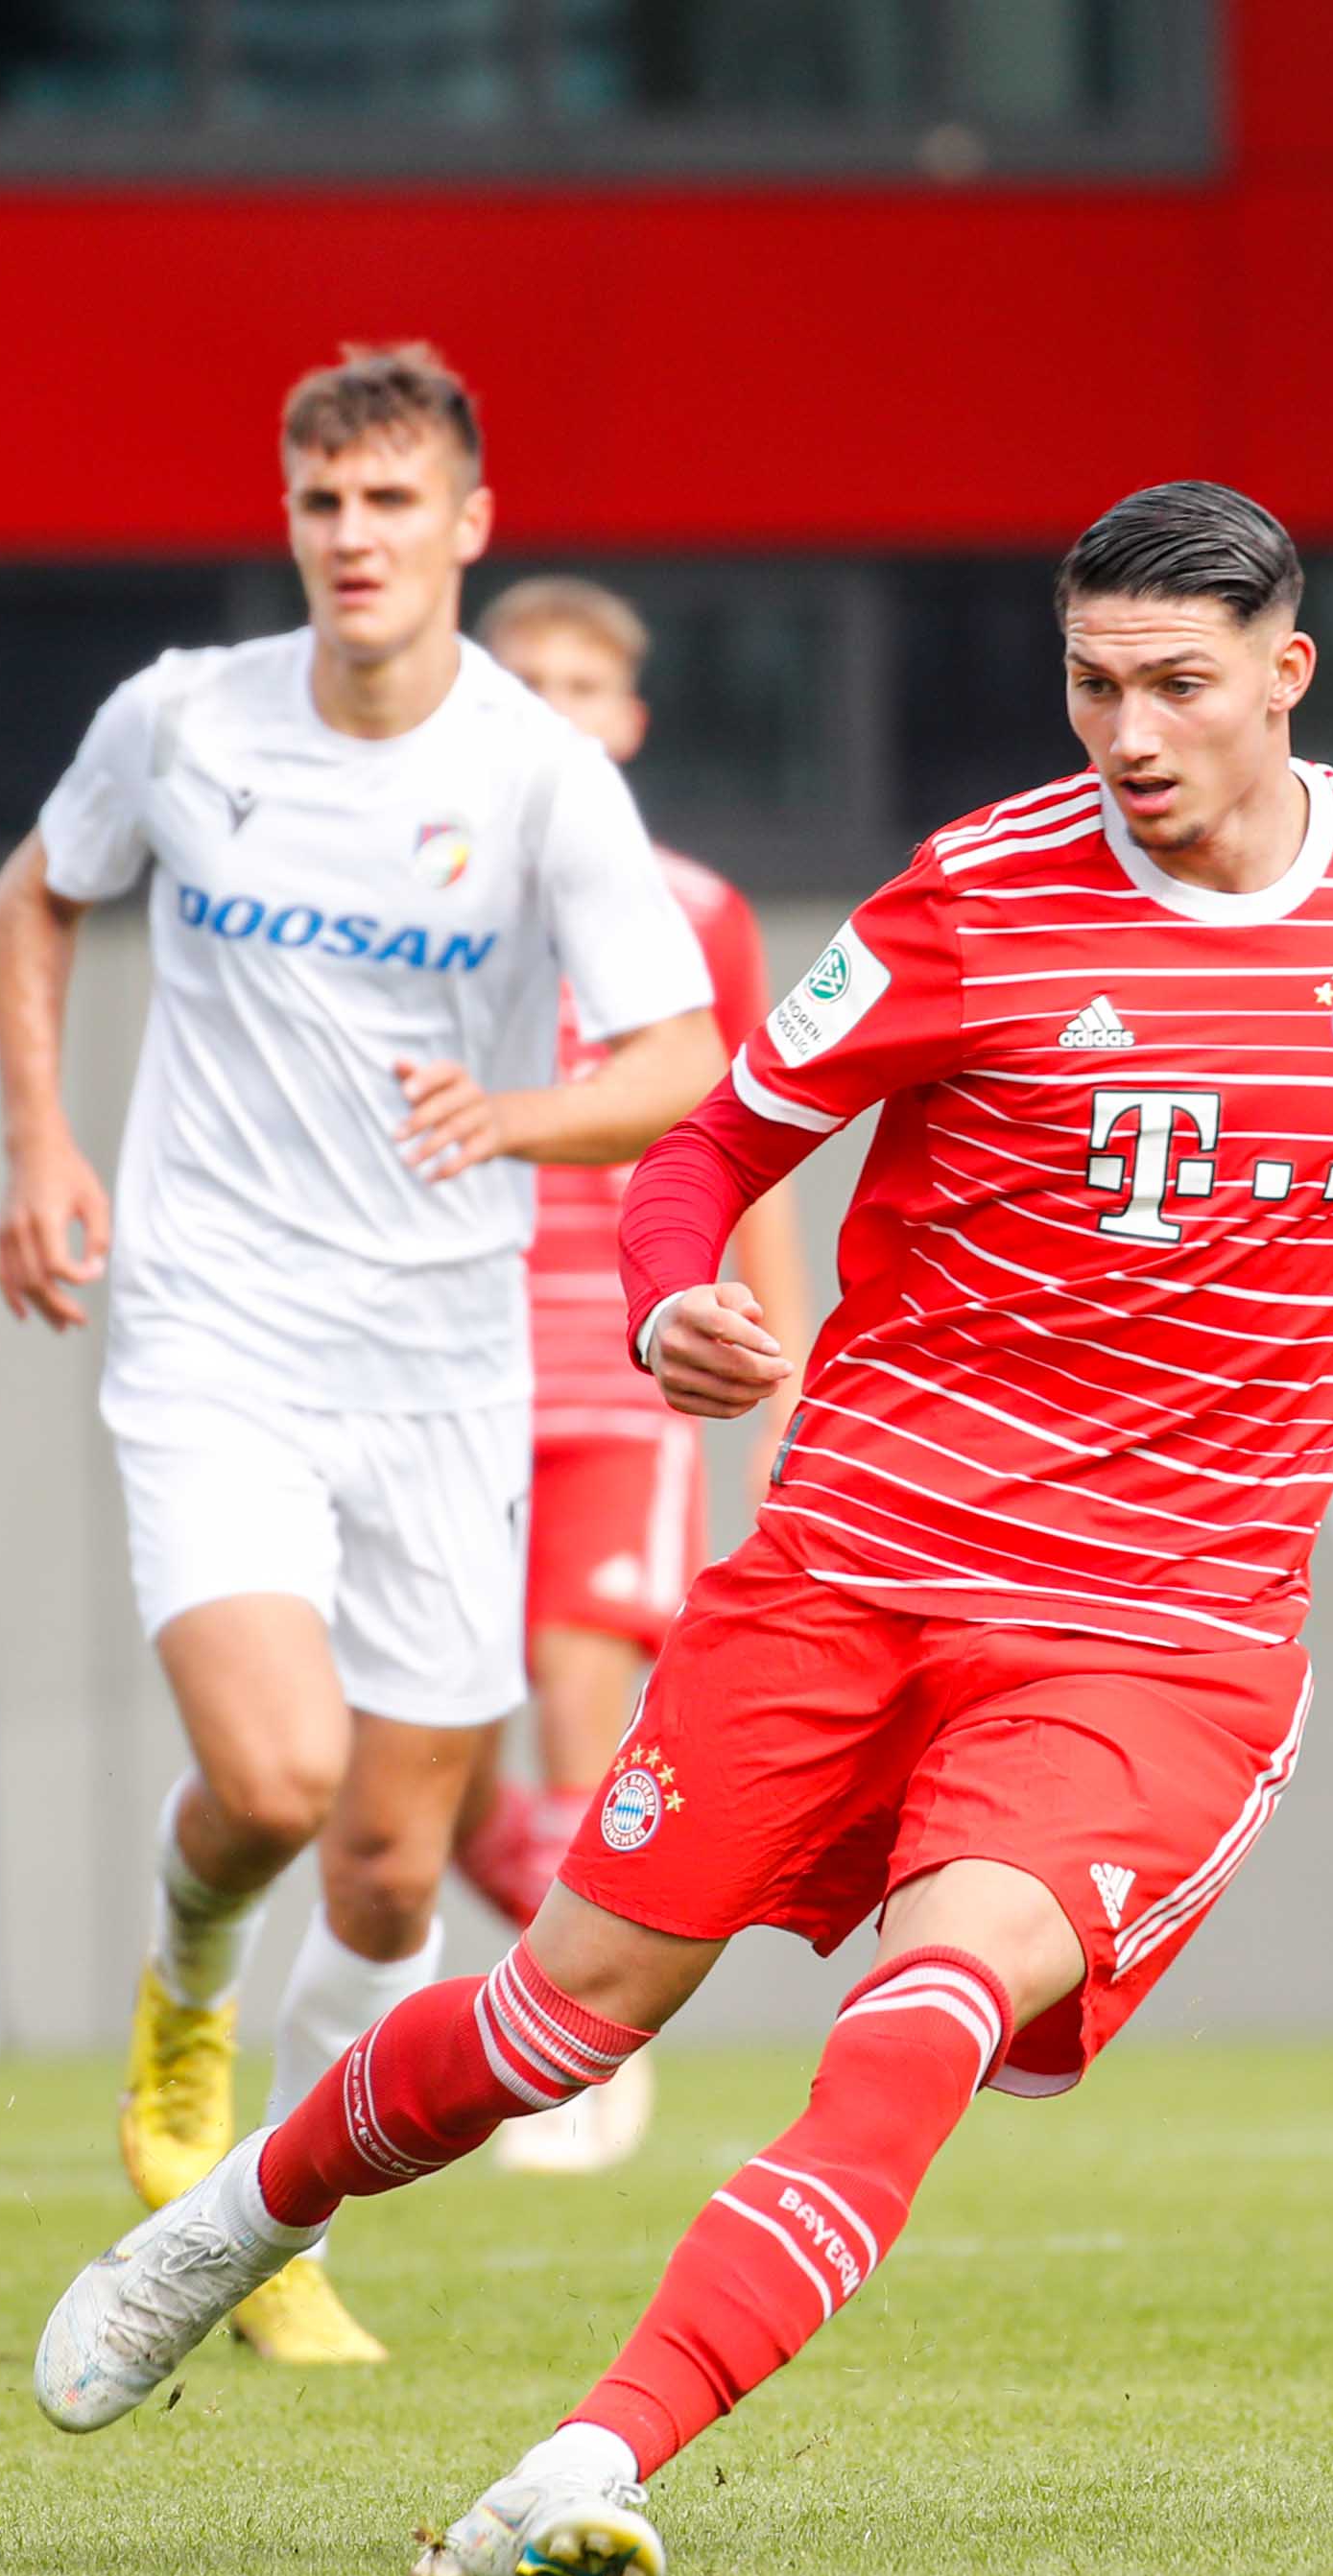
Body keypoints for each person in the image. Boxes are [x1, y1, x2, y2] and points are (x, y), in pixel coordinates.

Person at [31, 479, 1333, 2576]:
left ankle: (595, 2450)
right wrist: (675, 1293)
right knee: (563, 2017)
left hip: (1161, 1629)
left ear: (1283, 675)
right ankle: (236, 2218)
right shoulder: (974, 895)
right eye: (1093, 683)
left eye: (1178, 687)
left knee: (931, 1995)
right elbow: (717, 1130)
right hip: (857, 1562)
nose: (1128, 732)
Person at [0, 344, 720, 2366]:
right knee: (279, 1772)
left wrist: (521, 1118)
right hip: (217, 1324)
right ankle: (181, 1994)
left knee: (394, 1872)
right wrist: (40, 1141)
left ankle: (260, 2218)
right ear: (290, 518)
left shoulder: (540, 774)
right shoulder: (181, 717)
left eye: (392, 504)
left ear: (468, 525)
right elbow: (37, 901)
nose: (353, 540)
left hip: (439, 1365)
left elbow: (675, 1059)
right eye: (323, 504)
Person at [456, 573, 816, 2176]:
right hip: (447, 1366)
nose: (553, 709)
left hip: (624, 1359)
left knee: (569, 1676)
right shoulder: (427, 890)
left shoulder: (697, 907)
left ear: (629, 721)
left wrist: (788, 1363)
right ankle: (601, 1975)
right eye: (521, 679)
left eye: (582, 686)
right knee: (433, 1790)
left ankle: (582, 2053)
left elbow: (759, 1146)